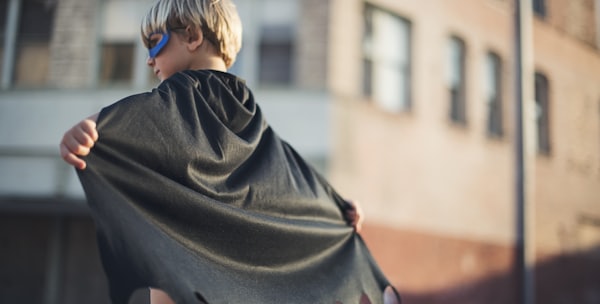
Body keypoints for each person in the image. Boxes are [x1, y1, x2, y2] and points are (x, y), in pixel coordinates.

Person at [60, 0, 399, 303]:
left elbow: (122, 120)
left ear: (192, 36)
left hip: (185, 264)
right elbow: (285, 172)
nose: (149, 60)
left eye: (155, 43)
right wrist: (335, 206)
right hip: (229, 273)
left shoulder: (180, 93)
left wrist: (88, 129)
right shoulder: (247, 106)